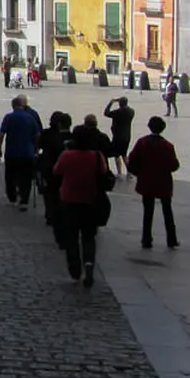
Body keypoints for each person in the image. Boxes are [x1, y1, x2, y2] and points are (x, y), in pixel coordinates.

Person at [53, 123, 111, 287]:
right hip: (91, 200)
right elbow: (103, 172)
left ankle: (75, 270)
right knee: (88, 236)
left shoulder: (67, 155)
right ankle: (89, 263)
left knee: (71, 237)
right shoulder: (97, 156)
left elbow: (56, 171)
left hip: (69, 200)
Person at [127, 116, 181, 249]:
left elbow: (131, 159)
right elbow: (174, 165)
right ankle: (171, 239)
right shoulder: (168, 146)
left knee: (148, 212)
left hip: (147, 181)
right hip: (163, 182)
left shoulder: (142, 142)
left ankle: (146, 239)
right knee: (167, 210)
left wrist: (138, 173)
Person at [0, 96, 40, 210]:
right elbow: (37, 134)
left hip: (12, 152)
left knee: (10, 176)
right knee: (26, 177)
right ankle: (24, 200)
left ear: (13, 106)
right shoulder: (30, 117)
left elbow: (1, 134)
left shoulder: (8, 117)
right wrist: (35, 149)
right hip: (27, 152)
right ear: (22, 105)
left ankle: (12, 199)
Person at [37, 111, 73, 246]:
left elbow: (40, 146)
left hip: (50, 167)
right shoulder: (72, 137)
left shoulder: (47, 134)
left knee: (49, 193)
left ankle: (50, 214)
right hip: (65, 171)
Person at [104, 97, 136, 176]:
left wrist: (111, 103)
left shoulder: (118, 112)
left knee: (116, 154)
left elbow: (106, 113)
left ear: (119, 103)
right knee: (124, 154)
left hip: (118, 136)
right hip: (127, 135)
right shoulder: (131, 111)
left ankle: (119, 172)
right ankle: (129, 172)